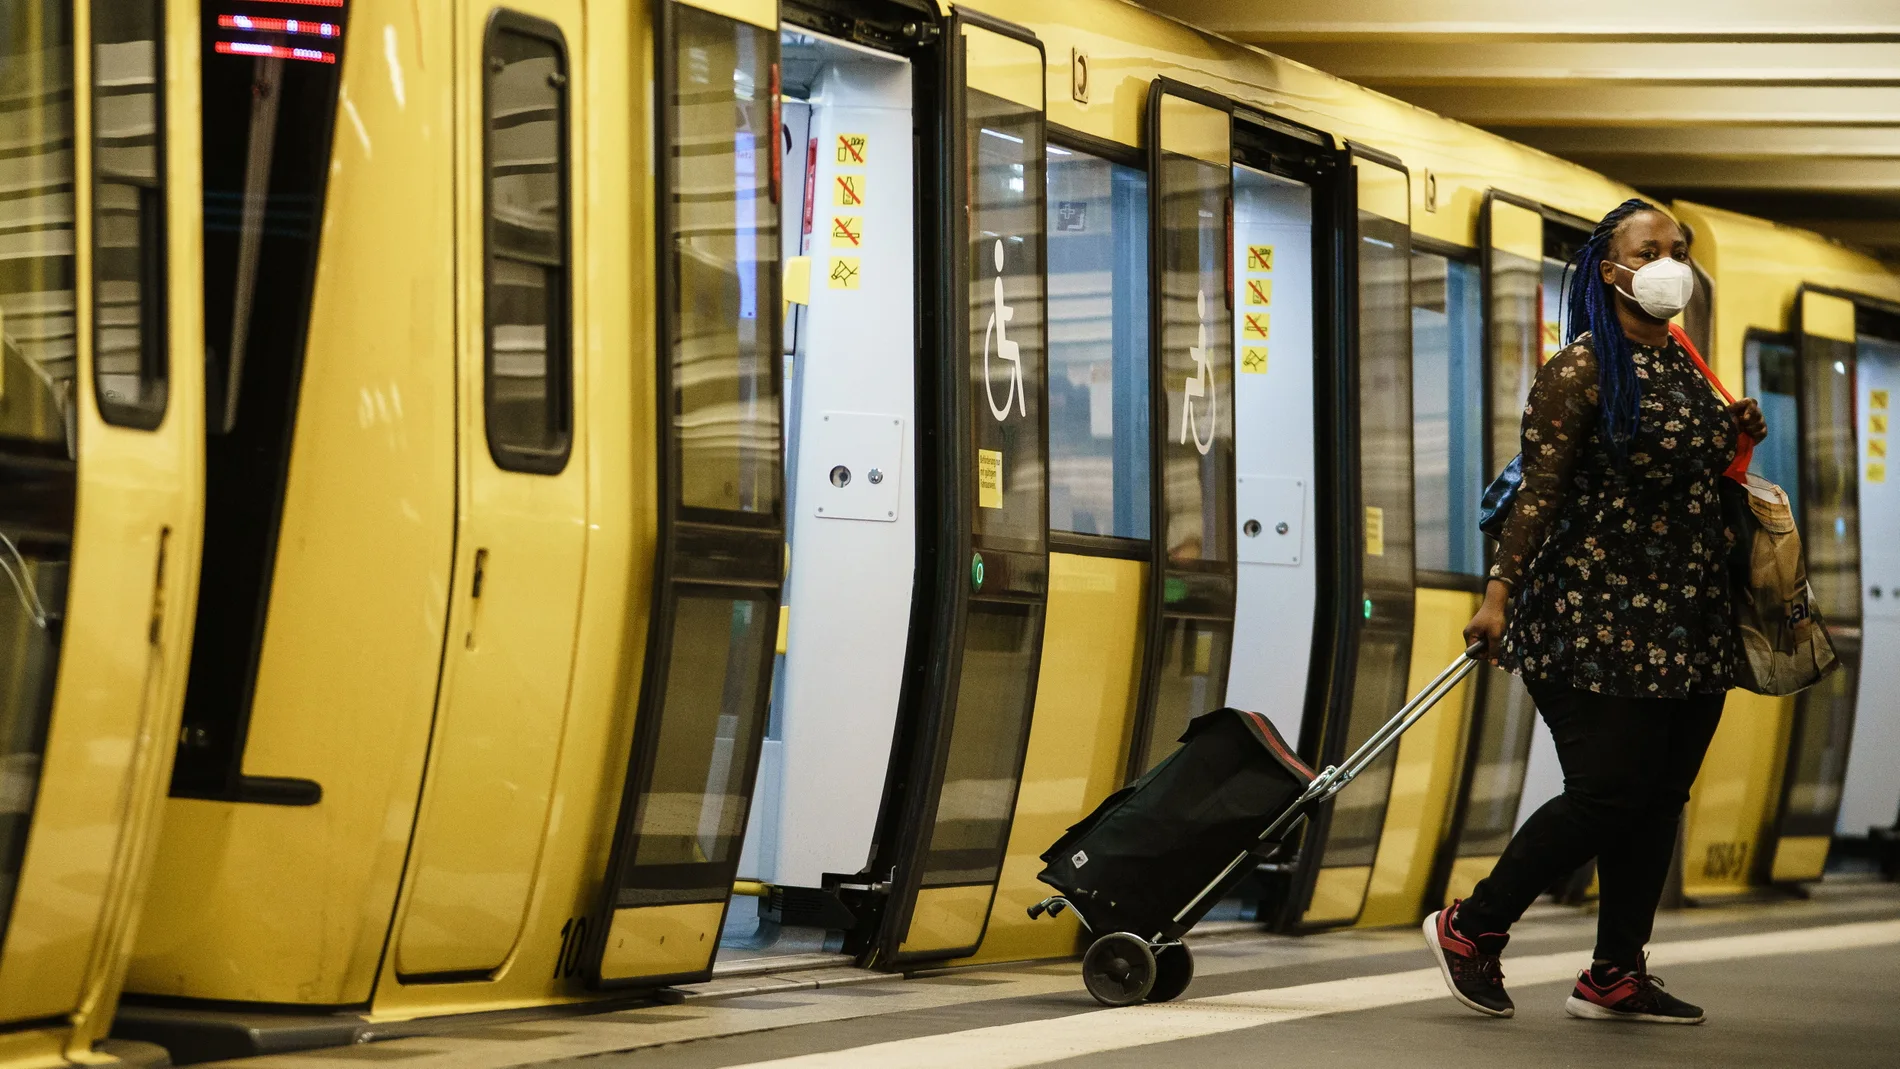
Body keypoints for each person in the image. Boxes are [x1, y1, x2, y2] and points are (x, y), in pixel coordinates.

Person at [1422, 198, 1768, 1025]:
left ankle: (1615, 971)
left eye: (1677, 249)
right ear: (1609, 269)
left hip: (1686, 621)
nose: (1668, 262)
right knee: (1608, 790)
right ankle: (1472, 925)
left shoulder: (1687, 362)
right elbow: (1535, 496)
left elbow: (1688, 474)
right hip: (1588, 617)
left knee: (1657, 798)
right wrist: (1498, 594)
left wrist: (1735, 433)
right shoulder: (1578, 370)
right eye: (1650, 249)